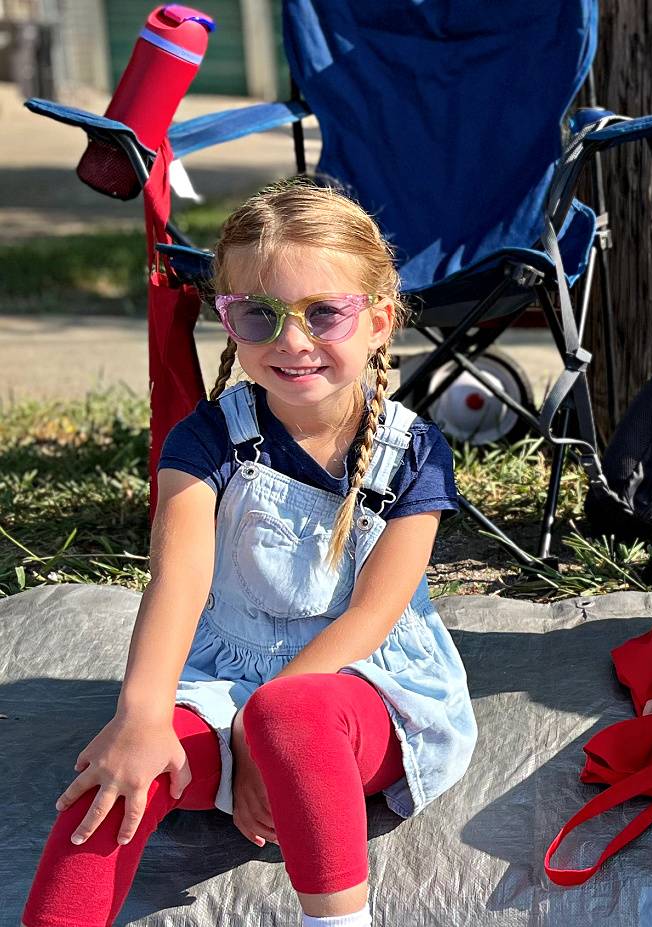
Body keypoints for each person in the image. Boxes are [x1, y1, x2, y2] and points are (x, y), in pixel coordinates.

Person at [22, 180, 476, 927]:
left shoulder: (413, 452)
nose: (290, 341)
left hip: (359, 692)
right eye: (257, 315)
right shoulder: (205, 440)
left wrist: (263, 729)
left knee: (292, 712)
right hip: (225, 678)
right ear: (228, 325)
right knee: (119, 774)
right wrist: (141, 716)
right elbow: (178, 579)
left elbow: (373, 615)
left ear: (379, 320)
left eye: (324, 312)